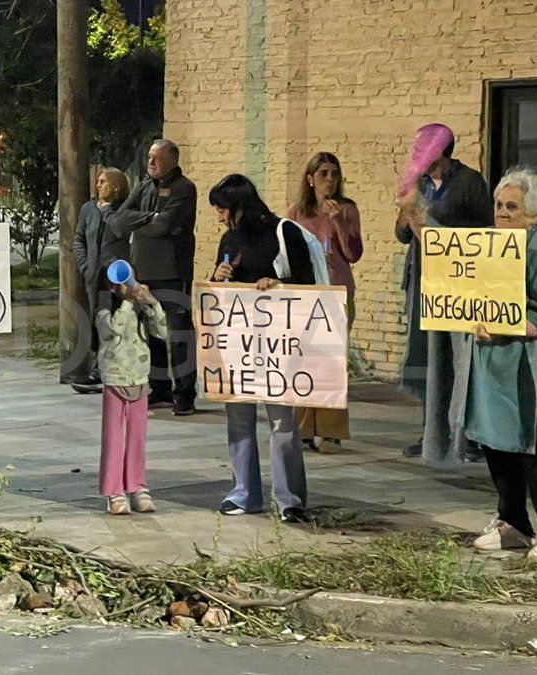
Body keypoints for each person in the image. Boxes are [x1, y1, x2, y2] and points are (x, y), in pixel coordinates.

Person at [463, 168, 537, 558]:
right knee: (498, 440)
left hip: (536, 362)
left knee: (535, 442)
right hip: (497, 359)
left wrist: (500, 328)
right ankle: (513, 522)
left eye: (513, 206)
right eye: (499, 204)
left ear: (535, 213)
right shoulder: (490, 247)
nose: (502, 212)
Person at [209, 175, 314, 524]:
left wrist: (278, 284)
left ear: (239, 207)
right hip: (239, 341)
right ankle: (244, 492)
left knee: (282, 420)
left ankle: (289, 499)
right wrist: (219, 276)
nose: (220, 218)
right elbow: (219, 291)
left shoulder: (285, 233)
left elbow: (308, 284)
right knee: (238, 416)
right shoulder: (228, 239)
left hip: (279, 343)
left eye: (223, 210)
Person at [395, 123, 493, 460]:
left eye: (421, 146)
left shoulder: (469, 182)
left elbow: (485, 231)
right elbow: (402, 235)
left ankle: (467, 435)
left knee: (459, 359)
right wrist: (407, 211)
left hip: (457, 284)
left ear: (440, 149)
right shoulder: (419, 184)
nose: (415, 153)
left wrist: (435, 226)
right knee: (425, 355)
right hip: (423, 280)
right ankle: (431, 431)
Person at [109, 140, 199, 416]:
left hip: (172, 272)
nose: (151, 163)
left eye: (157, 158)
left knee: (178, 333)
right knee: (151, 332)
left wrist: (147, 222)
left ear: (172, 160)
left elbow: (166, 225)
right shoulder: (143, 185)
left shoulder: (184, 188)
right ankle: (160, 389)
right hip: (142, 272)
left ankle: (184, 393)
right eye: (149, 157)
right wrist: (151, 217)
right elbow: (117, 221)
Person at [287, 152, 364, 454]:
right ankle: (305, 428)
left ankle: (330, 431)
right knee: (305, 360)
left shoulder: (347, 209)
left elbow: (354, 253)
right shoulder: (296, 212)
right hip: (307, 292)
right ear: (310, 179)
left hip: (337, 291)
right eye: (323, 174)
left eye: (334, 173)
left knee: (332, 362)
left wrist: (339, 224)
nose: (330, 180)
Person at [96, 272, 167, 515]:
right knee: (114, 437)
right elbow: (113, 330)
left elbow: (162, 331)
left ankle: (137, 486)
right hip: (115, 380)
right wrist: (127, 302)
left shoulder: (139, 313)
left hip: (139, 378)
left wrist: (152, 303)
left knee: (137, 438)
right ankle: (114, 491)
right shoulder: (104, 313)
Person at [71, 167, 130, 393]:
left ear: (115, 186)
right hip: (93, 276)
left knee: (114, 322)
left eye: (103, 182)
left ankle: (112, 370)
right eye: (98, 181)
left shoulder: (121, 210)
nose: (98, 185)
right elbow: (79, 239)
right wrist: (85, 266)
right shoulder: (88, 209)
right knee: (97, 322)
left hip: (115, 277)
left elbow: (123, 235)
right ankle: (97, 369)